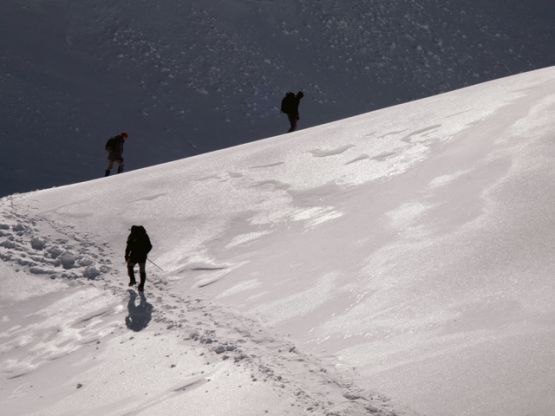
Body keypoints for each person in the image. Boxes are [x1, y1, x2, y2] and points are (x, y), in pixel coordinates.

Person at [125, 225, 152, 292]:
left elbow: (128, 247)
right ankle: (141, 286)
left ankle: (132, 280)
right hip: (142, 257)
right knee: (142, 270)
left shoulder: (131, 235)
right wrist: (144, 252)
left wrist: (126, 255)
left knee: (130, 266)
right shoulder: (144, 235)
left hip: (134, 255)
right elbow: (150, 246)